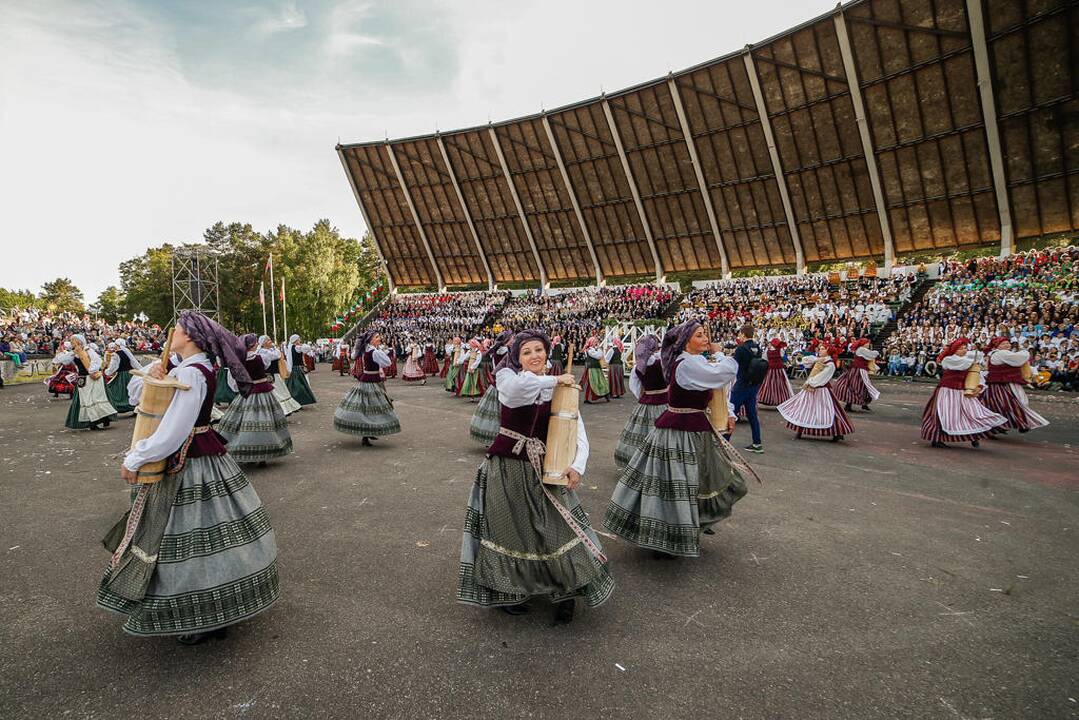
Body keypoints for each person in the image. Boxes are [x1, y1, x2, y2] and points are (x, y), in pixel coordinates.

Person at [97, 311, 279, 644]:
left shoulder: (193, 374)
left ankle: (204, 617)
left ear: (191, 336)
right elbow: (140, 397)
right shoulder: (190, 368)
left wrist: (137, 456)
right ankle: (213, 612)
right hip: (200, 455)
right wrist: (157, 371)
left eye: (178, 329)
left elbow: (174, 430)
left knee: (189, 539)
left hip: (190, 460)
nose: (173, 333)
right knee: (207, 537)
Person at [456, 329, 613, 624]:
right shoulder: (508, 378)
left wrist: (577, 465)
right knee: (509, 529)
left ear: (547, 352)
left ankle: (567, 590)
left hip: (547, 467)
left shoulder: (560, 384)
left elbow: (575, 427)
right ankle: (509, 591)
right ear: (517, 356)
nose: (534, 356)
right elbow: (517, 394)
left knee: (555, 528)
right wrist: (555, 380)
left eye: (539, 350)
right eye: (526, 352)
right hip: (508, 467)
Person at [604, 320, 757, 558]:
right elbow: (723, 374)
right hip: (678, 433)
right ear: (685, 342)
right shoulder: (685, 363)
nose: (705, 338)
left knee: (702, 479)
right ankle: (666, 537)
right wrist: (722, 354)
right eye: (699, 335)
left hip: (695, 428)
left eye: (705, 334)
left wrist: (728, 412)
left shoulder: (694, 361)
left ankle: (694, 521)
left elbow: (715, 387)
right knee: (675, 485)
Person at [217, 333, 294, 464]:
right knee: (266, 420)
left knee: (243, 421)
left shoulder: (239, 359)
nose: (257, 344)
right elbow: (267, 364)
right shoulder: (260, 357)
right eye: (255, 343)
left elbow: (234, 380)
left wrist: (240, 388)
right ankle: (263, 453)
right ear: (252, 345)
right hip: (263, 391)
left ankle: (246, 450)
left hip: (248, 392)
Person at [921, 338, 1007, 448]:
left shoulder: (969, 361)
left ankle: (974, 436)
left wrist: (979, 386)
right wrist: (976, 360)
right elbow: (960, 364)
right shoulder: (949, 360)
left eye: (965, 348)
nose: (964, 350)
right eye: (960, 348)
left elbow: (977, 375)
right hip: (947, 391)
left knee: (972, 413)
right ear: (955, 350)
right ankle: (937, 439)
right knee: (944, 414)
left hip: (963, 391)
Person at [777, 340, 854, 442]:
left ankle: (836, 432)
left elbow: (822, 378)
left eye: (823, 349)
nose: (820, 350)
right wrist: (817, 359)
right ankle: (800, 431)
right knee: (804, 408)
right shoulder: (820, 360)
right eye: (820, 348)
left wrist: (810, 382)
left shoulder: (830, 364)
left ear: (828, 351)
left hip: (822, 390)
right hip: (811, 387)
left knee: (828, 411)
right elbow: (804, 361)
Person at [334, 330, 401, 446]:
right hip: (371, 381)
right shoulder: (374, 351)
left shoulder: (367, 350)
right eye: (377, 337)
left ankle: (368, 433)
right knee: (370, 407)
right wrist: (382, 351)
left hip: (369, 379)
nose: (379, 338)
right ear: (371, 340)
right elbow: (388, 362)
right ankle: (366, 435)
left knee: (367, 407)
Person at [613, 334, 667, 469]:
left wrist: (643, 397)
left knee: (641, 433)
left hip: (646, 402)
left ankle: (638, 464)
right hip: (664, 402)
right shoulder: (662, 362)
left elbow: (634, 387)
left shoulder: (638, 366)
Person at [979, 336, 1050, 434]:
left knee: (1001, 405)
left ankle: (1003, 425)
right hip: (1001, 385)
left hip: (1002, 383)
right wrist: (1025, 351)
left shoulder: (998, 353)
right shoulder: (1001, 353)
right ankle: (1020, 423)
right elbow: (1019, 359)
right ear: (997, 346)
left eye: (1007, 343)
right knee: (1010, 404)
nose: (1007, 345)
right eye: (1003, 344)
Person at [61, 334, 118, 431]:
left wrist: (91, 370)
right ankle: (92, 422)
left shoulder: (88, 350)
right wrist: (70, 353)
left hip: (93, 378)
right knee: (86, 401)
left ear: (79, 341)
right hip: (82, 379)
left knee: (97, 399)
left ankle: (104, 419)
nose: (71, 342)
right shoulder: (74, 352)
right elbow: (64, 361)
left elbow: (97, 361)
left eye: (72, 341)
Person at [469, 330, 512, 445]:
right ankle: (500, 438)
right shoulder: (507, 352)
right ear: (507, 340)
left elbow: (495, 367)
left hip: (497, 384)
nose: (513, 340)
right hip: (504, 384)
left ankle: (494, 439)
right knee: (502, 413)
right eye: (512, 338)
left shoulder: (496, 351)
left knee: (495, 413)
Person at [730, 324, 764, 454]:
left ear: (743, 334)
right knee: (752, 415)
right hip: (753, 385)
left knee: (731, 413)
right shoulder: (757, 347)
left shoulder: (741, 349)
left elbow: (733, 365)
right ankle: (757, 443)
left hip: (742, 384)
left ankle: (724, 442)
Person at [833, 338, 881, 412]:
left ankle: (861, 404)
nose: (868, 344)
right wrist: (877, 352)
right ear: (863, 344)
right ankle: (858, 404)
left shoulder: (861, 349)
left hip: (856, 370)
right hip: (859, 370)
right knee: (858, 386)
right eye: (867, 343)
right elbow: (873, 354)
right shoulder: (862, 349)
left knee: (857, 386)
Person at [257, 336, 301, 416]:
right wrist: (276, 351)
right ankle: (281, 411)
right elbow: (276, 356)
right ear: (263, 343)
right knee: (276, 393)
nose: (271, 341)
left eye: (270, 340)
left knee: (281, 392)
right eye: (268, 340)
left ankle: (285, 410)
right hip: (270, 375)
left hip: (276, 374)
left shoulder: (271, 350)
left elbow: (278, 355)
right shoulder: (262, 352)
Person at [103, 338, 142, 414]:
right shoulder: (127, 352)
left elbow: (113, 367)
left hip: (121, 376)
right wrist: (141, 370)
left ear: (117, 345)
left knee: (115, 391)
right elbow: (134, 363)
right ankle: (134, 406)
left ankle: (116, 407)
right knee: (131, 392)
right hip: (130, 374)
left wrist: (106, 372)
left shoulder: (116, 354)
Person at [757, 338, 792, 407]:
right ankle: (780, 399)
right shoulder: (780, 350)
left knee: (769, 384)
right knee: (780, 385)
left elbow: (764, 359)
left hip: (771, 369)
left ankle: (768, 399)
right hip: (779, 370)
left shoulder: (768, 350)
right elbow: (783, 357)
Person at [284, 334, 318, 405]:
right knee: (299, 386)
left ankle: (294, 401)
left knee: (294, 386)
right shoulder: (296, 347)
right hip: (297, 369)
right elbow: (307, 348)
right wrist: (302, 344)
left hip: (294, 368)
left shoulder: (290, 347)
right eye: (299, 339)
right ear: (295, 340)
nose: (300, 340)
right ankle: (298, 401)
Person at [580, 336, 611, 403]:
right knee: (592, 384)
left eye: (596, 342)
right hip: (592, 369)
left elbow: (600, 355)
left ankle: (605, 395)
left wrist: (598, 349)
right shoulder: (590, 350)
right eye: (594, 342)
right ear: (591, 343)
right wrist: (599, 349)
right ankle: (588, 398)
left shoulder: (593, 349)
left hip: (596, 368)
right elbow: (599, 356)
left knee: (601, 382)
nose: (596, 343)